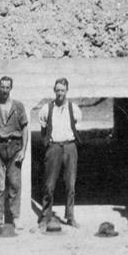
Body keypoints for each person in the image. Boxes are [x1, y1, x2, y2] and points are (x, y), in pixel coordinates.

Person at [0, 76, 30, 231]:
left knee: (15, 183)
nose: (4, 90)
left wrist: (23, 149)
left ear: (11, 88)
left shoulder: (18, 106)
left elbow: (24, 128)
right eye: (2, 87)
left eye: (7, 87)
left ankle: (15, 217)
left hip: (14, 147)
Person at [38, 78, 83, 229]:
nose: (60, 93)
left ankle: (70, 216)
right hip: (54, 147)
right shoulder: (46, 108)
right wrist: (49, 144)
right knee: (49, 184)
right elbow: (43, 130)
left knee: (70, 184)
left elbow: (76, 125)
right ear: (54, 91)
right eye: (57, 90)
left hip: (70, 147)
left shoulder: (74, 108)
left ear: (67, 91)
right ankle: (45, 216)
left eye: (62, 90)